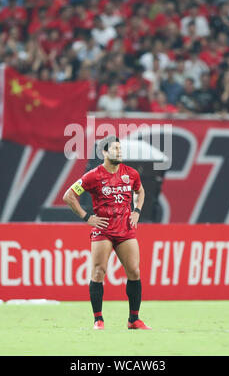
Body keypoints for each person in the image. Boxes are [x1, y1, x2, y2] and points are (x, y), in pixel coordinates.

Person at [63, 135, 151, 331]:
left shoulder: (131, 173)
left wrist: (137, 211)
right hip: (103, 230)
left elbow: (140, 191)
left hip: (125, 229)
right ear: (104, 152)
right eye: (114, 149)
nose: (119, 152)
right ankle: (98, 319)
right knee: (98, 272)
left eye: (120, 149)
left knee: (134, 272)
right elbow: (69, 195)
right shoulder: (93, 175)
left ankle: (134, 319)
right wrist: (87, 217)